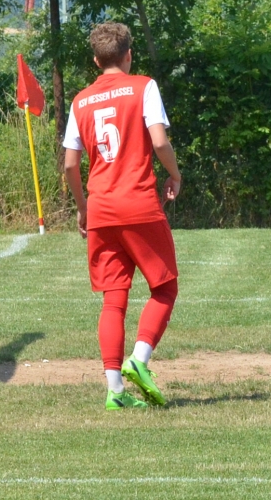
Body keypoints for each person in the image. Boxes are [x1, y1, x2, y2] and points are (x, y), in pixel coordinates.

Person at [60, 22, 182, 411]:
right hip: (139, 203)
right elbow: (159, 140)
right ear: (129, 55)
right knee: (165, 288)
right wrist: (175, 174)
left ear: (96, 61)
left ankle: (115, 391)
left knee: (113, 300)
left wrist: (83, 208)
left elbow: (69, 165)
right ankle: (139, 360)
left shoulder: (81, 101)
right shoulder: (143, 87)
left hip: (101, 209)